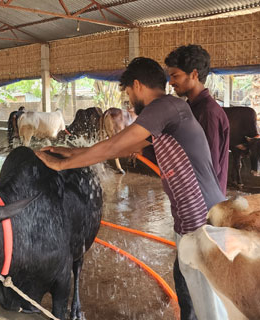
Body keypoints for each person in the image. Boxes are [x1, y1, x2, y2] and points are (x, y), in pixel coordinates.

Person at [35, 57, 227, 320]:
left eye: (127, 92)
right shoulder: (167, 113)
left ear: (137, 85)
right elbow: (125, 146)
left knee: (209, 308)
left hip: (203, 221)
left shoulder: (164, 106)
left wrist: (61, 167)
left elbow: (113, 147)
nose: (128, 99)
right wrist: (69, 152)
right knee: (192, 295)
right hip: (191, 220)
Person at [165, 45, 230, 195]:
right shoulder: (190, 108)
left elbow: (208, 165)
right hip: (194, 195)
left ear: (194, 74)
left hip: (205, 199)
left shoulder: (208, 112)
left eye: (175, 76)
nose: (171, 82)